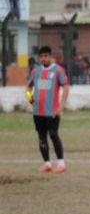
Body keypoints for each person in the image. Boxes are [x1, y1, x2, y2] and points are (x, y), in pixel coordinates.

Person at [25, 45, 70, 173]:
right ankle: (47, 163)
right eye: (41, 57)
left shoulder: (58, 70)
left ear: (50, 56)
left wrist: (61, 106)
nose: (43, 59)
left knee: (53, 134)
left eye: (46, 56)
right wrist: (29, 98)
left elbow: (66, 87)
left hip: (52, 111)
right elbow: (28, 88)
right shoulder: (35, 71)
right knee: (41, 137)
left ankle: (61, 163)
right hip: (38, 111)